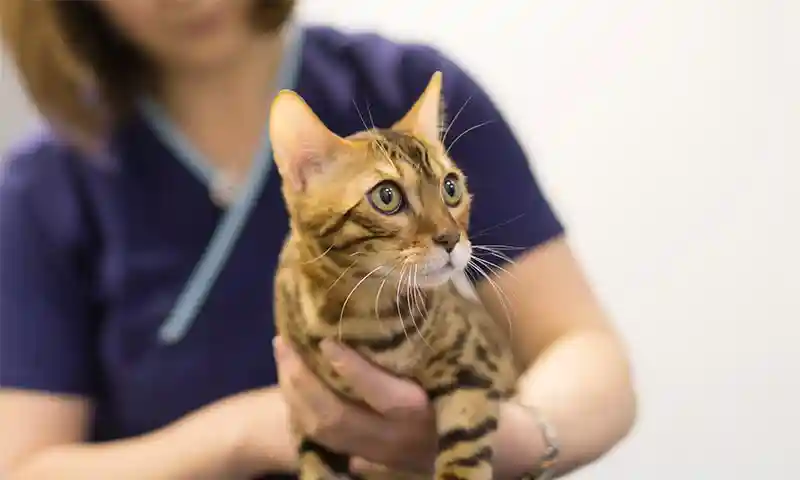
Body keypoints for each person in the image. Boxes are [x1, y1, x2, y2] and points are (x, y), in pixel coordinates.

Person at [0, 1, 637, 479]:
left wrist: (510, 440)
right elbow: (24, 466)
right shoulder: (46, 189)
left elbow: (589, 357)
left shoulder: (405, 90)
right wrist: (244, 434)